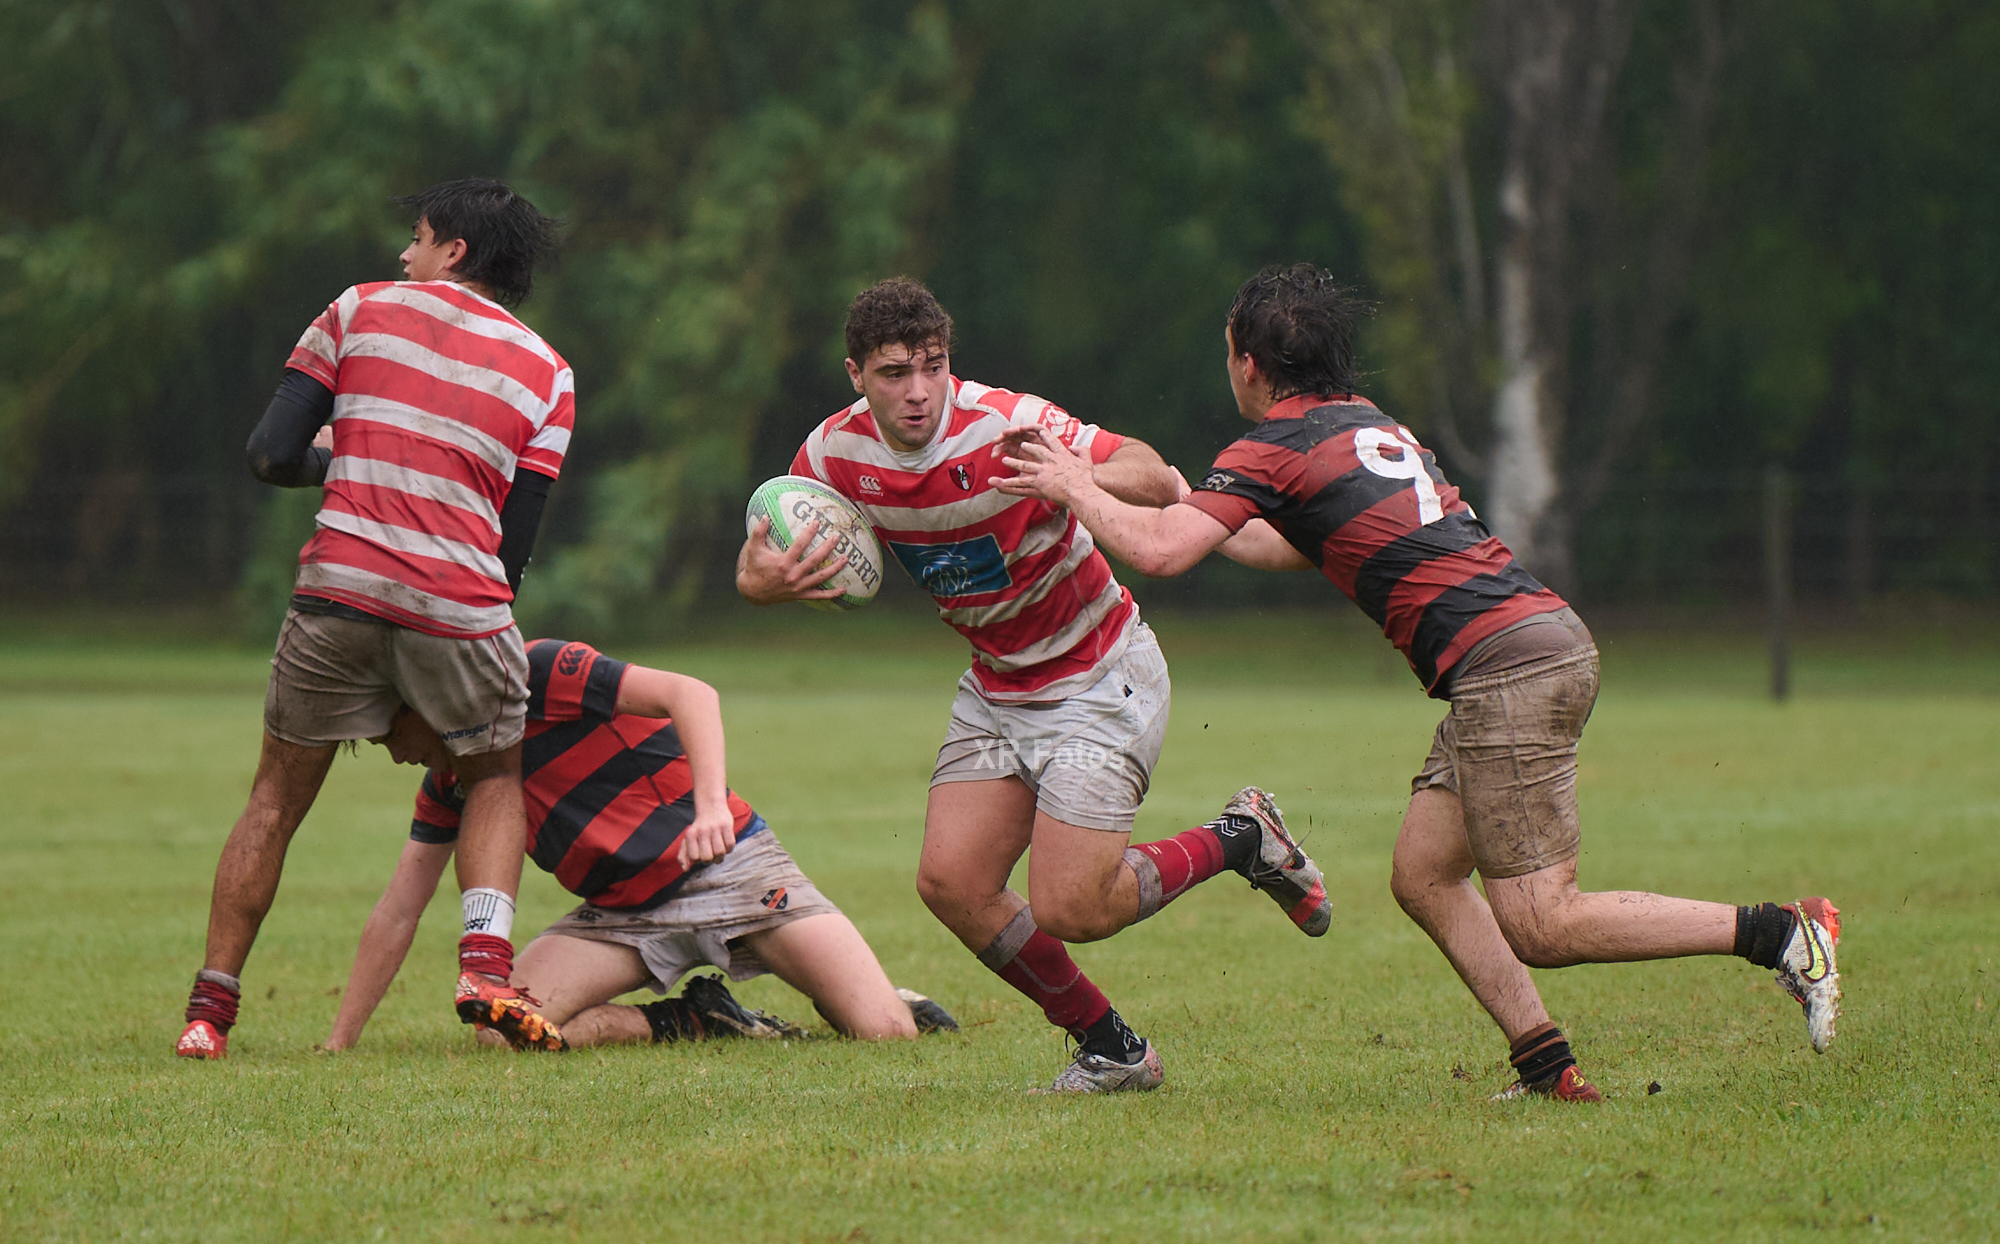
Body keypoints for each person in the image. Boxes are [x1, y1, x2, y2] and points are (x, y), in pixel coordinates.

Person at [996, 263, 1842, 1101]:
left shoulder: (1274, 444)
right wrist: (1188, 496)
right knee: (1424, 875)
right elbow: (1281, 543)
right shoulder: (1359, 424)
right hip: (1525, 650)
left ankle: (1781, 934)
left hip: (1510, 667)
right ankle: (1546, 1066)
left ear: (1249, 364)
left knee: (1543, 920)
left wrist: (1075, 486)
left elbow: (1160, 554)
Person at [735, 277, 1329, 1094]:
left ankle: (1243, 838)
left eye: (933, 367)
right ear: (855, 375)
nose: (917, 392)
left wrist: (1072, 481)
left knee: (1072, 908)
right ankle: (1114, 1050)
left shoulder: (1008, 426)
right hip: (998, 684)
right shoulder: (834, 454)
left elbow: (1154, 477)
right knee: (953, 883)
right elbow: (765, 548)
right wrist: (763, 581)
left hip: (1098, 672)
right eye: (894, 372)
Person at [177, 179, 573, 1060]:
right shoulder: (550, 371)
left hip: (339, 588)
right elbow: (512, 554)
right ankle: (483, 965)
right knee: (496, 773)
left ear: (455, 251)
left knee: (274, 798)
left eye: (420, 237)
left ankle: (210, 1014)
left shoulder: (359, 309)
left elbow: (271, 454)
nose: (405, 253)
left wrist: (347, 466)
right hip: (461, 605)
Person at [323, 637, 956, 1051]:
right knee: (505, 1034)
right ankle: (696, 1021)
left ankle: (870, 992)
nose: (395, 754)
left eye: (391, 735)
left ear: (427, 703)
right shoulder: (450, 786)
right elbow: (400, 907)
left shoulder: (534, 675)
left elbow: (691, 694)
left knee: (884, 1033)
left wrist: (711, 808)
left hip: (728, 868)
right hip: (620, 916)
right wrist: (340, 1042)